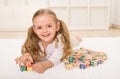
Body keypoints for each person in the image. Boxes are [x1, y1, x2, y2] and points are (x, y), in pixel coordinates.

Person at [15, 8, 81, 73]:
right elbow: (27, 49)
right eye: (39, 27)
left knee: (74, 41)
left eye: (49, 26)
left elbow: (55, 58)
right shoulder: (33, 40)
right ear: (34, 30)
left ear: (57, 26)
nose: (45, 31)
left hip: (68, 41)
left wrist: (45, 65)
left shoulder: (60, 41)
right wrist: (26, 56)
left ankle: (76, 37)